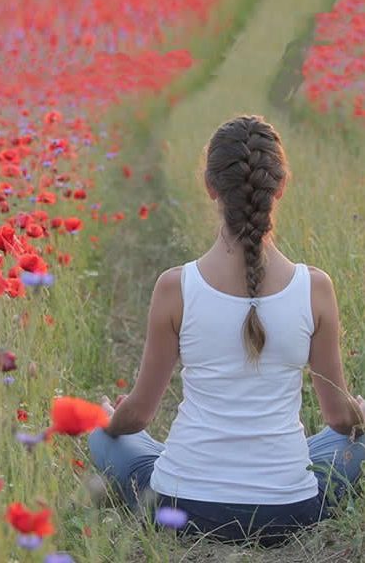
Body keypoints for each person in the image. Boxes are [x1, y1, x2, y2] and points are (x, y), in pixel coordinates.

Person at [88, 115, 365, 546]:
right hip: (291, 512)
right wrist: (359, 414)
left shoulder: (175, 287)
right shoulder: (315, 288)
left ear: (210, 186)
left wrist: (108, 419)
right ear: (281, 186)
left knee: (104, 438)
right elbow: (337, 418)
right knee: (349, 442)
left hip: (181, 506)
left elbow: (139, 414)